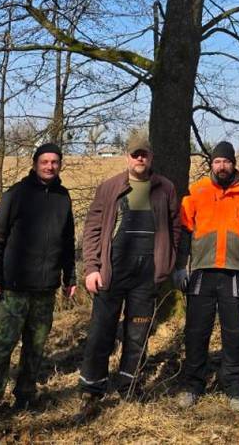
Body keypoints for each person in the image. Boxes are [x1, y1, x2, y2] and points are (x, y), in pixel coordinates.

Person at [0, 142, 75, 433]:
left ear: (60, 165)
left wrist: (70, 278)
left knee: (35, 349)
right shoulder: (16, 195)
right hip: (12, 288)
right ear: (35, 163)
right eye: (45, 161)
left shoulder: (64, 199)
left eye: (55, 162)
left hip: (45, 289)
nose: (50, 166)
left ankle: (26, 397)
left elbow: (68, 242)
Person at [78, 143, 180, 410]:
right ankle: (91, 387)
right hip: (112, 271)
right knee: (102, 330)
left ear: (151, 157)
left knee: (138, 332)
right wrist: (91, 268)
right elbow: (92, 229)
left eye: (144, 154)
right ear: (127, 157)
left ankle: (129, 385)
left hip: (147, 274)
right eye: (135, 154)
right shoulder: (109, 187)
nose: (139, 158)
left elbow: (175, 227)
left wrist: (167, 262)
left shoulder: (165, 188)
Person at [174, 141, 239, 410]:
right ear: (211, 164)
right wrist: (181, 266)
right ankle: (193, 386)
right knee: (195, 332)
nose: (221, 166)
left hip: (234, 273)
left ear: (234, 163)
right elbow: (185, 233)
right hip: (202, 271)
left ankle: (234, 388)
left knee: (234, 333)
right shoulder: (197, 191)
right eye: (217, 162)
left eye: (226, 161)